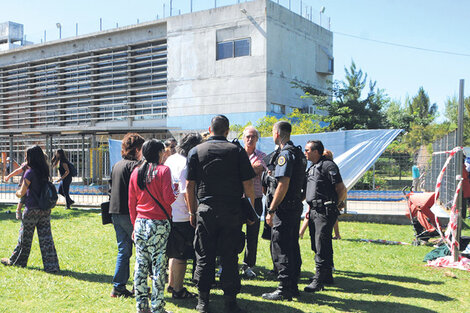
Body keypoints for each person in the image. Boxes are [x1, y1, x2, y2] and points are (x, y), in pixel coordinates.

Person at [186, 115, 255, 313]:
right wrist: (249, 210)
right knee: (230, 256)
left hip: (206, 210)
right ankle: (230, 302)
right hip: (232, 211)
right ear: (227, 130)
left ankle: (203, 302)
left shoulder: (196, 151)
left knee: (204, 256)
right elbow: (248, 184)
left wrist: (192, 211)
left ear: (210, 129)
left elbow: (189, 185)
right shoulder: (237, 151)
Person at [128, 139, 178, 313]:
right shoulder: (163, 171)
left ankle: (141, 306)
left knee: (140, 265)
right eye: (163, 151)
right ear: (158, 153)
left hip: (141, 222)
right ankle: (157, 307)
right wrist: (176, 190)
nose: (165, 154)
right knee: (158, 267)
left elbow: (131, 202)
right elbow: (168, 198)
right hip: (159, 223)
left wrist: (134, 226)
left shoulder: (136, 172)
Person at [262, 121, 306, 301]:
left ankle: (284, 288)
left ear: (277, 134)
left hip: (284, 208)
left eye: (273, 132)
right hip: (294, 205)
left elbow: (283, 183)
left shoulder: (285, 155)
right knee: (292, 245)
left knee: (281, 246)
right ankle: (292, 285)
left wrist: (271, 209)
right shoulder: (298, 153)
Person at [1, 145, 60, 273]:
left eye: (27, 155)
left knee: (25, 239)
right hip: (44, 209)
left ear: (31, 157)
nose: (26, 157)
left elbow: (22, 192)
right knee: (46, 239)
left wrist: (16, 193)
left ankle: (16, 261)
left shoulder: (30, 172)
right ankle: (52, 266)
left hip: (31, 209)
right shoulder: (45, 170)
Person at [303, 140, 347, 293]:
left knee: (322, 243)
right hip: (314, 211)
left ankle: (319, 279)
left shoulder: (328, 165)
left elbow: (341, 188)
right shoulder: (313, 167)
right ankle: (326, 275)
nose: (305, 152)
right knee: (318, 244)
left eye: (307, 150)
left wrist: (338, 203)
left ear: (316, 151)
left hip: (325, 211)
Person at [164, 133, 202, 299]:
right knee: (182, 255)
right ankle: (178, 290)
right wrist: (192, 212)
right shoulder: (187, 163)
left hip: (169, 212)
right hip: (182, 214)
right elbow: (187, 191)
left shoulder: (171, 159)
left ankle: (172, 284)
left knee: (173, 252)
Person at [109, 133, 145, 298]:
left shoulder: (117, 165)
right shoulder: (136, 166)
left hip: (115, 212)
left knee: (123, 250)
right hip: (131, 213)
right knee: (141, 251)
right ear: (138, 149)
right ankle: (138, 286)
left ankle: (118, 287)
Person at [241, 126, 266, 278]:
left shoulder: (262, 155)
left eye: (253, 136)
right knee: (232, 232)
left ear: (257, 139)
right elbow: (252, 170)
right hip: (237, 199)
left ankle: (248, 265)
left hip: (255, 200)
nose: (250, 139)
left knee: (252, 234)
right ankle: (227, 264)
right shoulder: (237, 153)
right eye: (248, 136)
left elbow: (257, 169)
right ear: (243, 138)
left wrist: (241, 168)